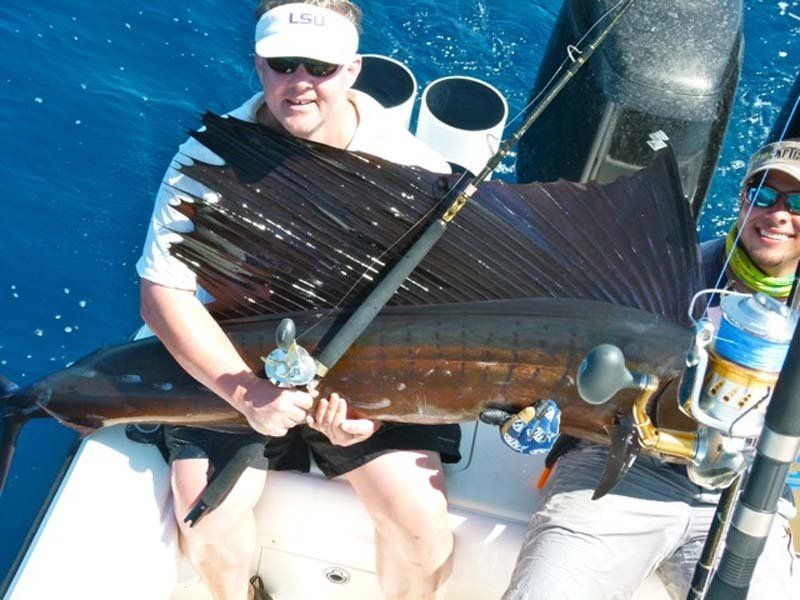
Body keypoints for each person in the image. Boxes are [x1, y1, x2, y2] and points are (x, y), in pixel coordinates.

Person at [136, 2, 461, 599]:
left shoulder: (416, 169)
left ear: (353, 70)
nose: (300, 83)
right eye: (284, 63)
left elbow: (438, 316)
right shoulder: (207, 158)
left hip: (365, 371)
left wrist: (378, 411)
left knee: (423, 532)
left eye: (321, 66)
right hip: (241, 353)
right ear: (258, 64)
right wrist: (244, 390)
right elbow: (163, 295)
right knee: (203, 518)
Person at [501, 139, 800, 600]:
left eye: (798, 202)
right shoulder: (667, 274)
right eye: (762, 195)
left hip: (747, 492)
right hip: (622, 464)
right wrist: (540, 409)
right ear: (742, 201)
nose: (777, 214)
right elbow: (578, 361)